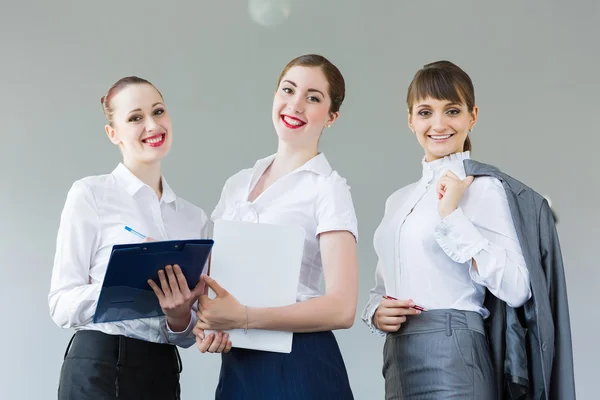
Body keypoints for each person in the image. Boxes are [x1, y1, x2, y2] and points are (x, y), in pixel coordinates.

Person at [48, 76, 231, 400]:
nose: (152, 124)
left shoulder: (194, 218)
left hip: (161, 372)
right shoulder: (90, 194)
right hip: (98, 367)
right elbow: (61, 304)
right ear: (113, 133)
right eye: (135, 117)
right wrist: (127, 288)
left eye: (158, 112)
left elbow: (186, 335)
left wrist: (177, 316)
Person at [361, 61, 532, 399]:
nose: (438, 124)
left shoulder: (483, 188)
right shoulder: (397, 201)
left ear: (473, 115)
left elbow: (517, 288)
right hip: (398, 356)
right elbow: (383, 287)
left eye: (451, 110)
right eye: (425, 112)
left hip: (455, 351)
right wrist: (375, 311)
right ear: (410, 120)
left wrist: (452, 215)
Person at [194, 54, 359, 400]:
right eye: (288, 90)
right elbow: (214, 283)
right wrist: (209, 325)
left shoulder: (328, 188)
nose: (296, 104)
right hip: (238, 365)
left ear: (331, 117)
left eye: (313, 98)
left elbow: (342, 308)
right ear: (275, 96)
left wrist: (243, 317)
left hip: (302, 362)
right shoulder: (237, 184)